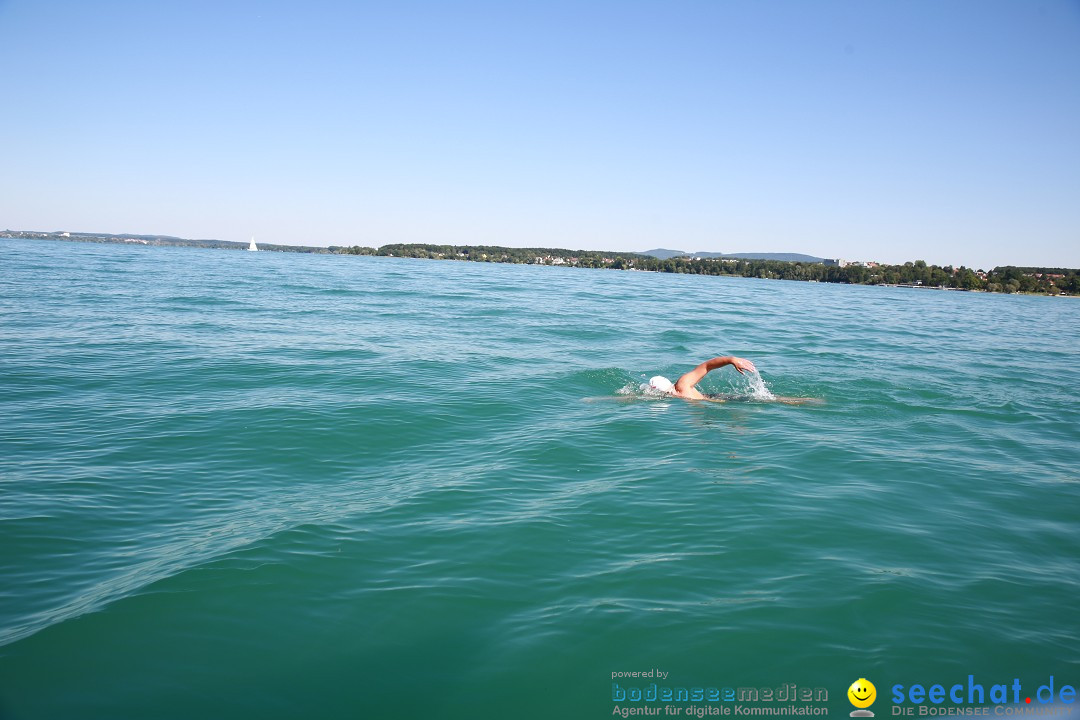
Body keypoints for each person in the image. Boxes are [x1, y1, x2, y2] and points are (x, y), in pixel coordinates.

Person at [649, 356, 757, 400]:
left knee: (758, 399)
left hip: (719, 399)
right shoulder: (677, 393)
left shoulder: (682, 385)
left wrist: (731, 359)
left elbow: (706, 366)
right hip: (709, 400)